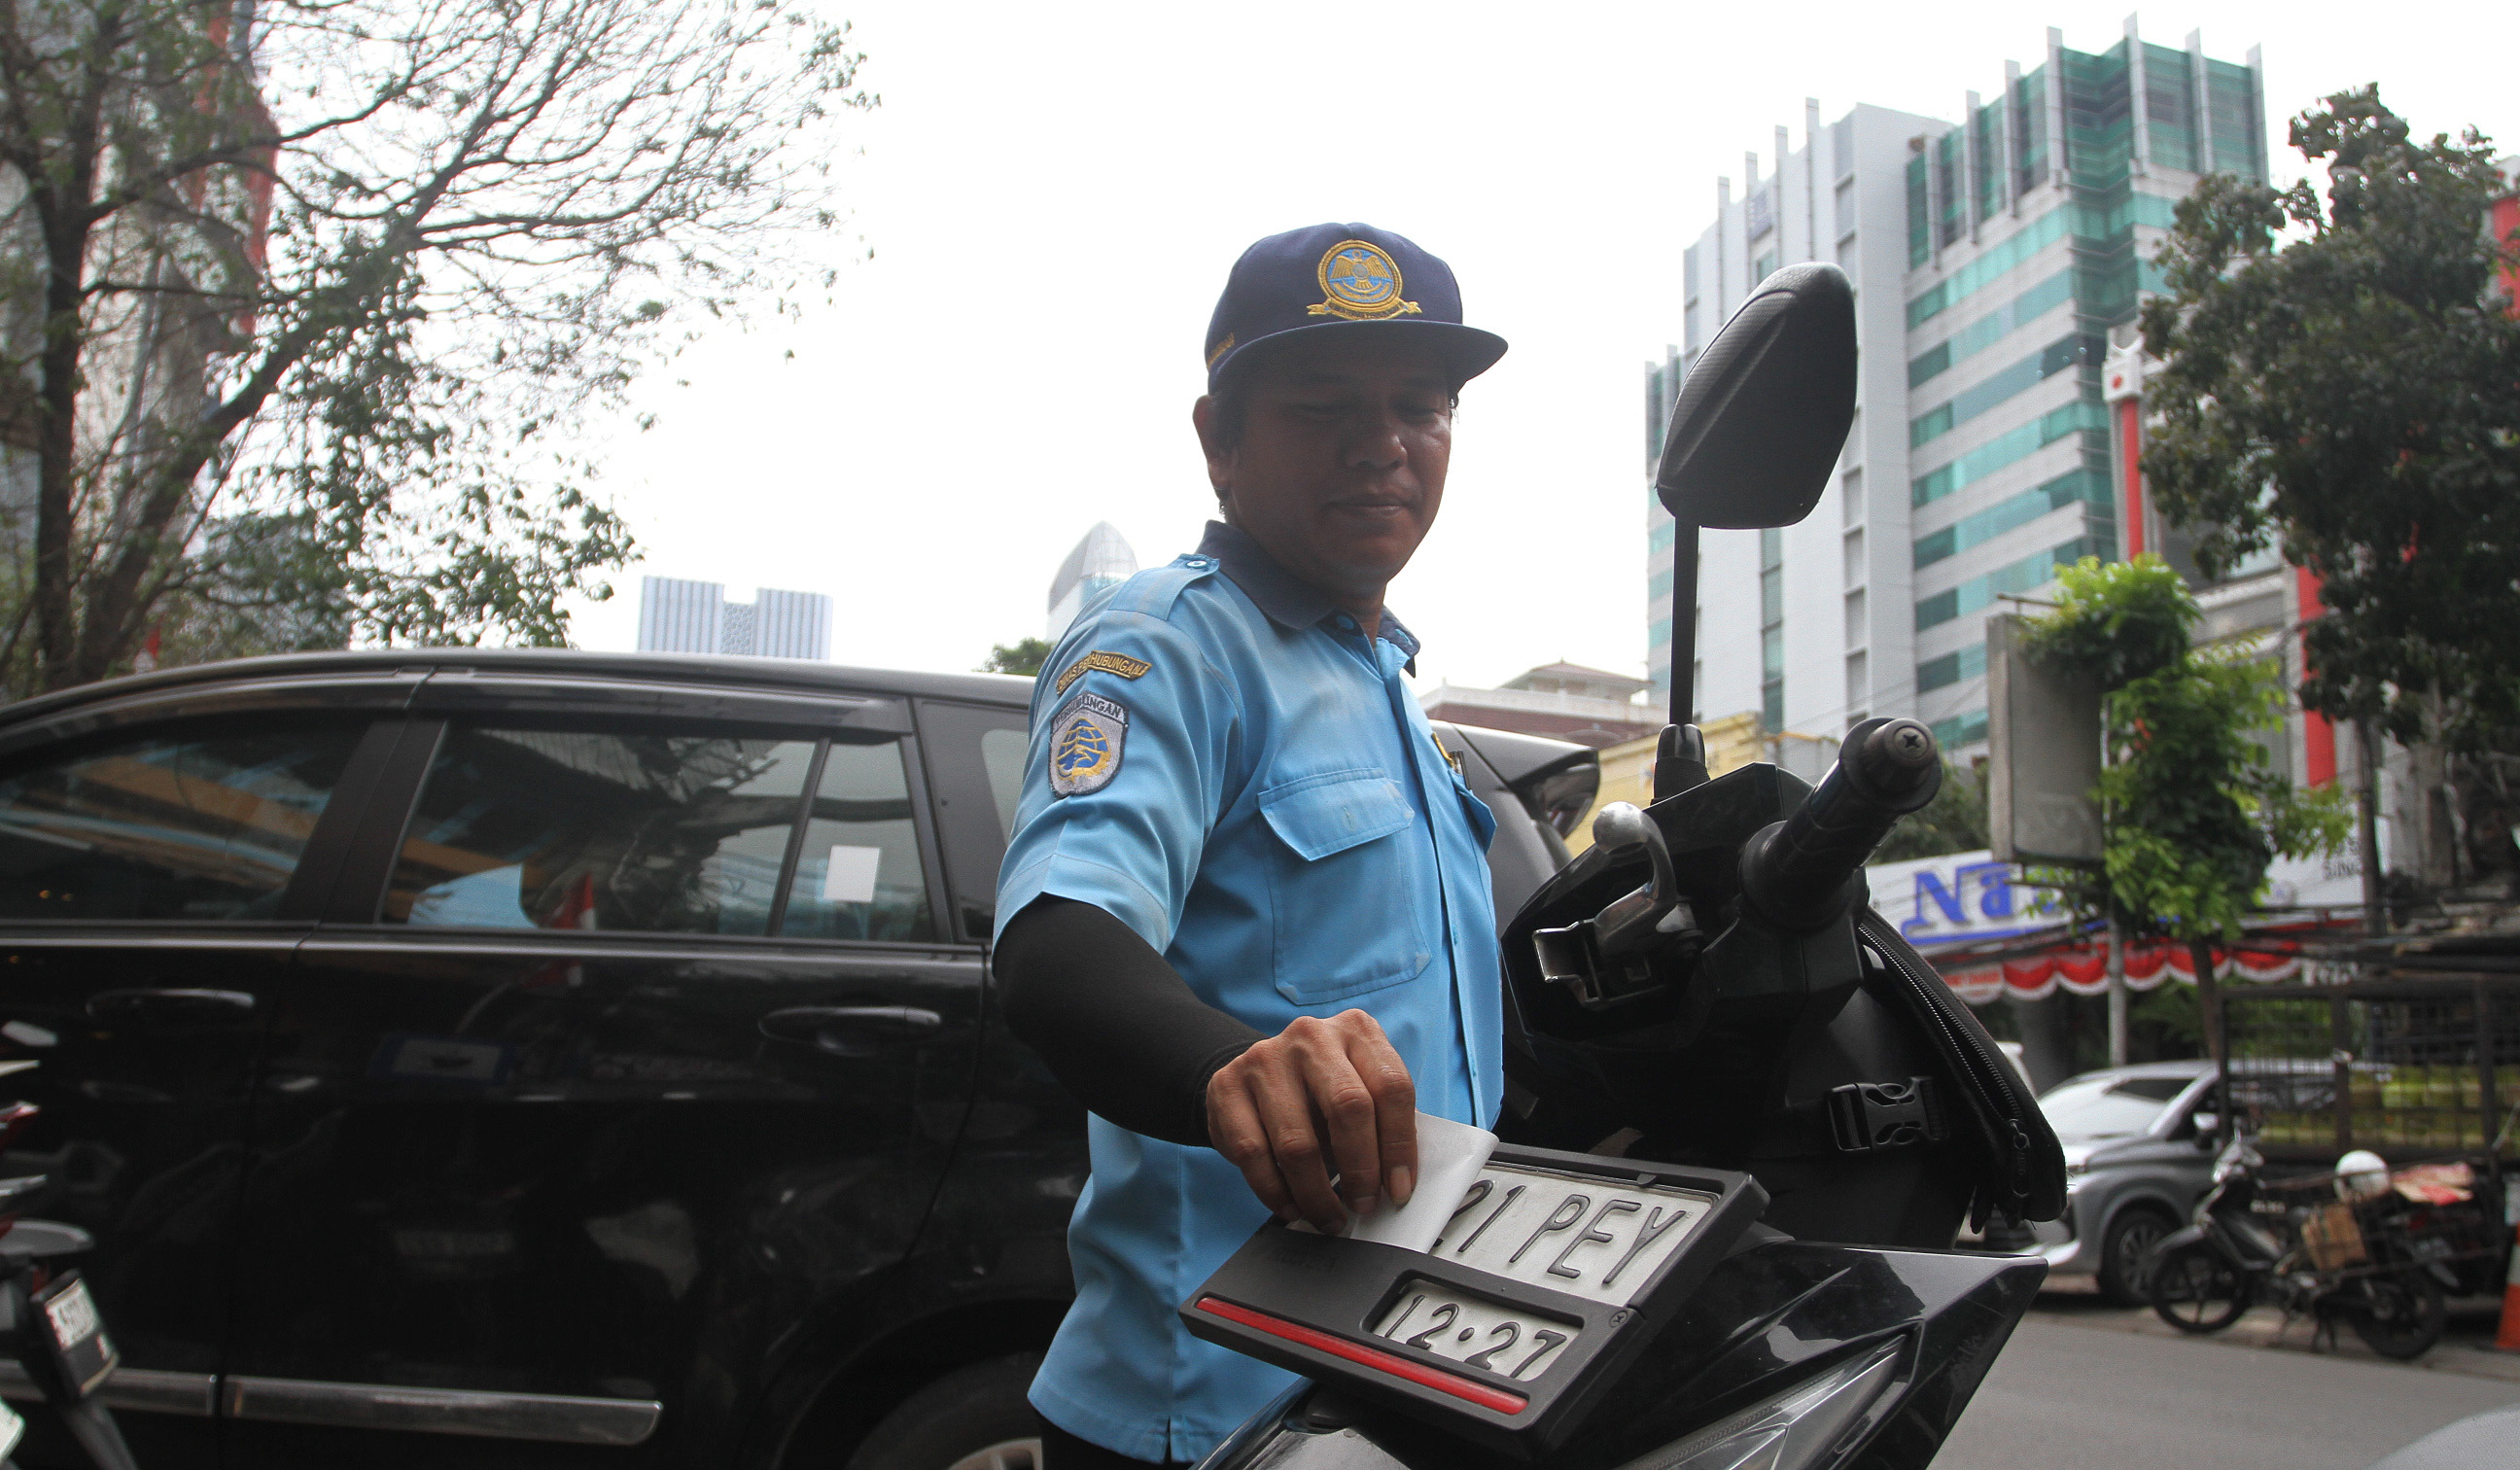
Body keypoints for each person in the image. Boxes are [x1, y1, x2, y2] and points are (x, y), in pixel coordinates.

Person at [992, 222, 1510, 1469]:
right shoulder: (1168, 645)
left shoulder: (1392, 690)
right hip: (1217, 1411)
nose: (1382, 444)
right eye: (1325, 405)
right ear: (1219, 443)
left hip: (1402, 1385)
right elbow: (1063, 936)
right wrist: (1237, 1066)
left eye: (1419, 408)